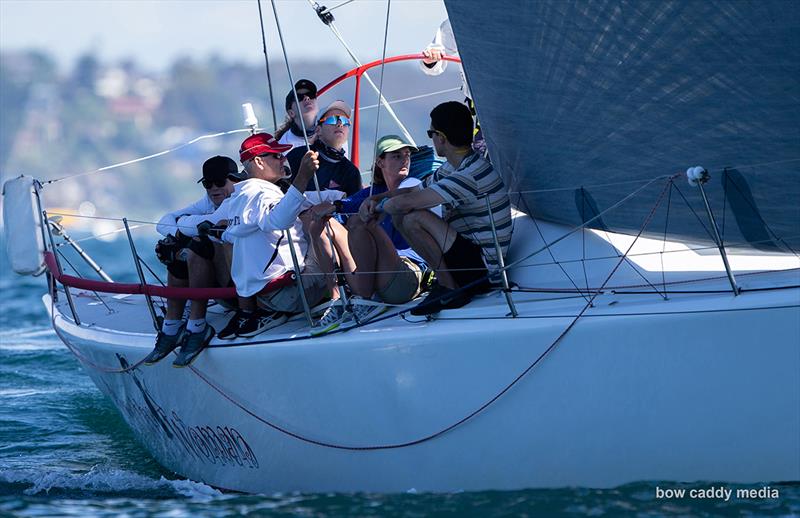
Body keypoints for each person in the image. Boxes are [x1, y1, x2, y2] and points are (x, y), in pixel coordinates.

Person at [365, 101, 512, 316]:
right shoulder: (455, 167)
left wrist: (377, 209)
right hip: (472, 258)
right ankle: (446, 285)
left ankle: (449, 288)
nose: (431, 139)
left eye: (430, 133)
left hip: (487, 272)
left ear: (441, 138)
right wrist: (376, 198)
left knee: (412, 218)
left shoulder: (469, 174)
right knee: (403, 216)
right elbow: (414, 190)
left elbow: (407, 203)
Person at [308, 135, 428, 334]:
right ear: (380, 162)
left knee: (360, 222)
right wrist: (326, 210)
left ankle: (364, 298)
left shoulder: (413, 184)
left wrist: (351, 207)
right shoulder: (373, 191)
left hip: (404, 277)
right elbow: (349, 205)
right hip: (377, 278)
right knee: (320, 225)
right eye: (396, 156)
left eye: (406, 155)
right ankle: (336, 297)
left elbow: (396, 197)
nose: (404, 160)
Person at [144, 156, 245, 366]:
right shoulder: (210, 200)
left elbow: (212, 221)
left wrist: (185, 227)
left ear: (234, 180)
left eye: (219, 182)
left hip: (243, 290)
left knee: (199, 244)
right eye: (208, 184)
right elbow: (165, 221)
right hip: (223, 286)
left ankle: (197, 327)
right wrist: (180, 233)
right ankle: (172, 328)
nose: (213, 188)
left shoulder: (241, 196)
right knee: (172, 248)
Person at [286, 100, 362, 196]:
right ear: (318, 130)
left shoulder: (351, 172)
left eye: (345, 121)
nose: (340, 124)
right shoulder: (299, 155)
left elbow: (354, 206)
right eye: (332, 120)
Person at [275, 79, 319, 152]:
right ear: (291, 113)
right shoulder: (284, 145)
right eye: (299, 97)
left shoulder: (332, 131)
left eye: (310, 95)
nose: (307, 98)